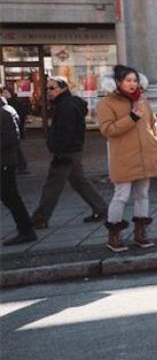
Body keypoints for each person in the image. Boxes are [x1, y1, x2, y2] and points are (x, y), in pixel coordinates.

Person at [96, 66, 157, 252]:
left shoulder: (143, 100)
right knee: (122, 195)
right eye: (128, 80)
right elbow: (108, 130)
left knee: (143, 194)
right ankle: (114, 235)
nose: (132, 84)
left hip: (146, 155)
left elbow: (152, 123)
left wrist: (156, 142)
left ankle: (140, 234)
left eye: (134, 80)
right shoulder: (106, 103)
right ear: (117, 82)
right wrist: (132, 117)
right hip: (123, 157)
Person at [28, 77, 108, 230]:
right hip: (72, 150)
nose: (48, 92)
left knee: (52, 185)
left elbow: (65, 132)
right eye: (47, 89)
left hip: (66, 152)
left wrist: (58, 150)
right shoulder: (66, 104)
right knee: (79, 181)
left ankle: (40, 218)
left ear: (63, 88)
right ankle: (101, 209)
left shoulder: (66, 106)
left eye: (52, 88)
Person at [1, 96, 36, 246]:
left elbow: (9, 139)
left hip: (4, 163)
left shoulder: (4, 113)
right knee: (10, 197)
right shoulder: (5, 111)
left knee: (10, 197)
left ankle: (26, 230)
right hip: (6, 161)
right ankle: (26, 229)